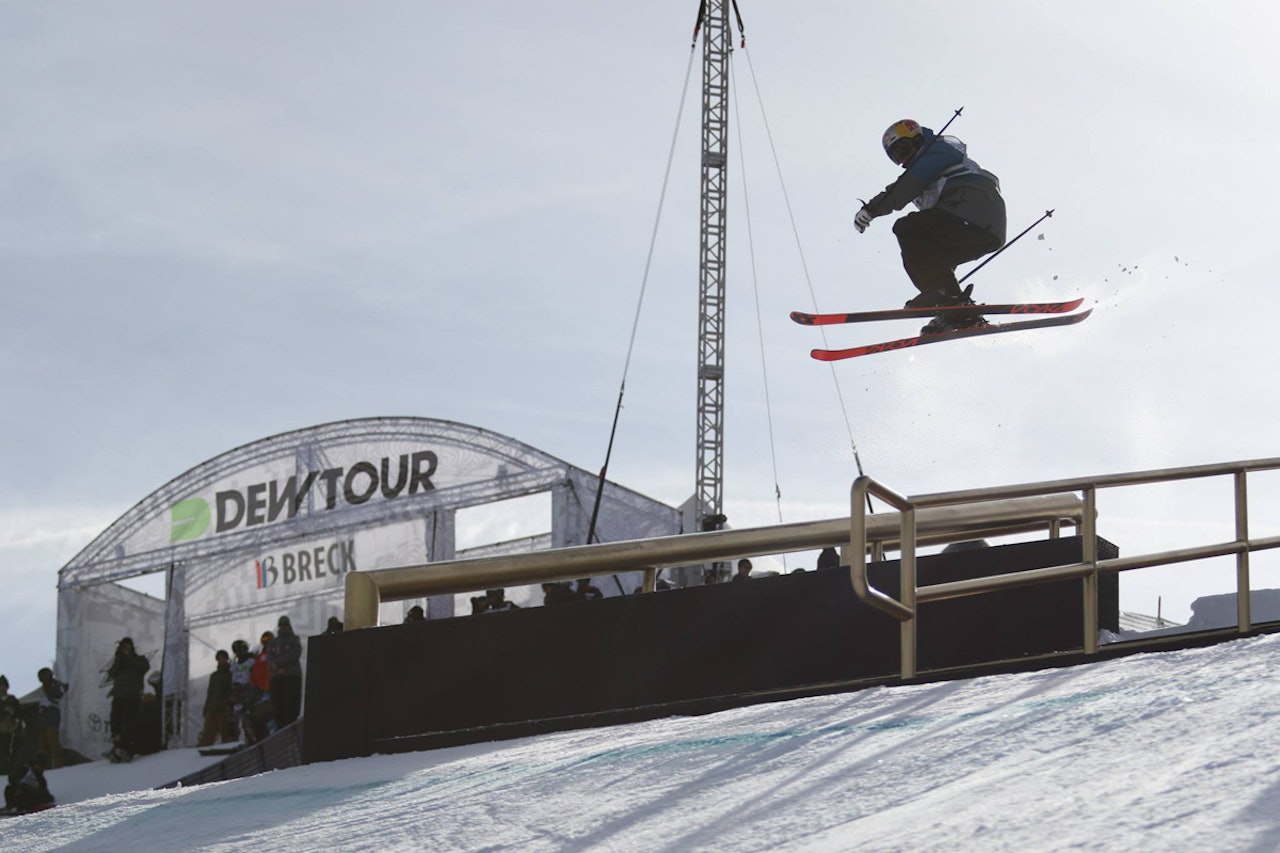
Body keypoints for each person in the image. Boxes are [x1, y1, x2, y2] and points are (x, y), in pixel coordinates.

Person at [854, 118, 1007, 334]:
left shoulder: (937, 153)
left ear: (918, 139)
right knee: (931, 258)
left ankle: (943, 295)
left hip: (973, 211)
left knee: (908, 228)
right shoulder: (928, 176)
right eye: (896, 156)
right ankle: (958, 312)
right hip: (980, 229)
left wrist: (872, 209)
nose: (903, 157)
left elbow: (904, 187)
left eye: (904, 148)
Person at [106, 637, 150, 760]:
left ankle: (127, 748)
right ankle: (117, 747)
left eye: (128, 645)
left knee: (129, 721)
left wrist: (128, 657)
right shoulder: (120, 661)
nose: (126, 648)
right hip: (119, 695)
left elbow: (144, 667)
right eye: (124, 646)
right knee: (115, 721)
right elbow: (112, 674)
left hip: (132, 695)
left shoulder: (139, 659)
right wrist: (119, 659)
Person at [268, 616, 303, 728]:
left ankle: (291, 729)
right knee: (277, 706)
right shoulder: (272, 643)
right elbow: (269, 659)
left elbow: (294, 654)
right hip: (276, 678)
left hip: (291, 676)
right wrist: (277, 668)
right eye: (281, 626)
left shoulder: (294, 639)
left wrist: (279, 665)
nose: (283, 628)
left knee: (290, 704)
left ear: (289, 626)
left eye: (285, 626)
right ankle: (279, 729)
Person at [197, 650, 236, 747]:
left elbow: (232, 691)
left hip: (225, 708)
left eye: (223, 658)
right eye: (219, 658)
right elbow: (210, 693)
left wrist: (230, 706)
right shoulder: (214, 676)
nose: (221, 660)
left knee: (227, 733)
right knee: (209, 732)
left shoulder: (231, 674)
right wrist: (207, 707)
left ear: (227, 659)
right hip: (212, 708)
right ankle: (202, 749)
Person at [2, 751, 54, 815]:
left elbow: (44, 792)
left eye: (43, 767)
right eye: (39, 765)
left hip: (29, 799)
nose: (41, 768)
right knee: (9, 788)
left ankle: (23, 807)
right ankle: (11, 807)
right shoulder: (23, 770)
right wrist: (19, 788)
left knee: (29, 791)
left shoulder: (40, 778)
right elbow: (13, 780)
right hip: (17, 795)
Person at [35, 668, 66, 768]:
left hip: (51, 719)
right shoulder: (43, 690)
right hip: (42, 721)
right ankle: (45, 767)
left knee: (52, 743)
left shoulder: (56, 686)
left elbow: (61, 692)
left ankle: (58, 765)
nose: (44, 680)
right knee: (43, 746)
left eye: (45, 677)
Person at [0, 676, 20, 777]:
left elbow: (18, 713)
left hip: (8, 729)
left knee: (8, 751)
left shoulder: (12, 699)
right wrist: (4, 711)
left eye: (3, 686)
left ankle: (6, 770)